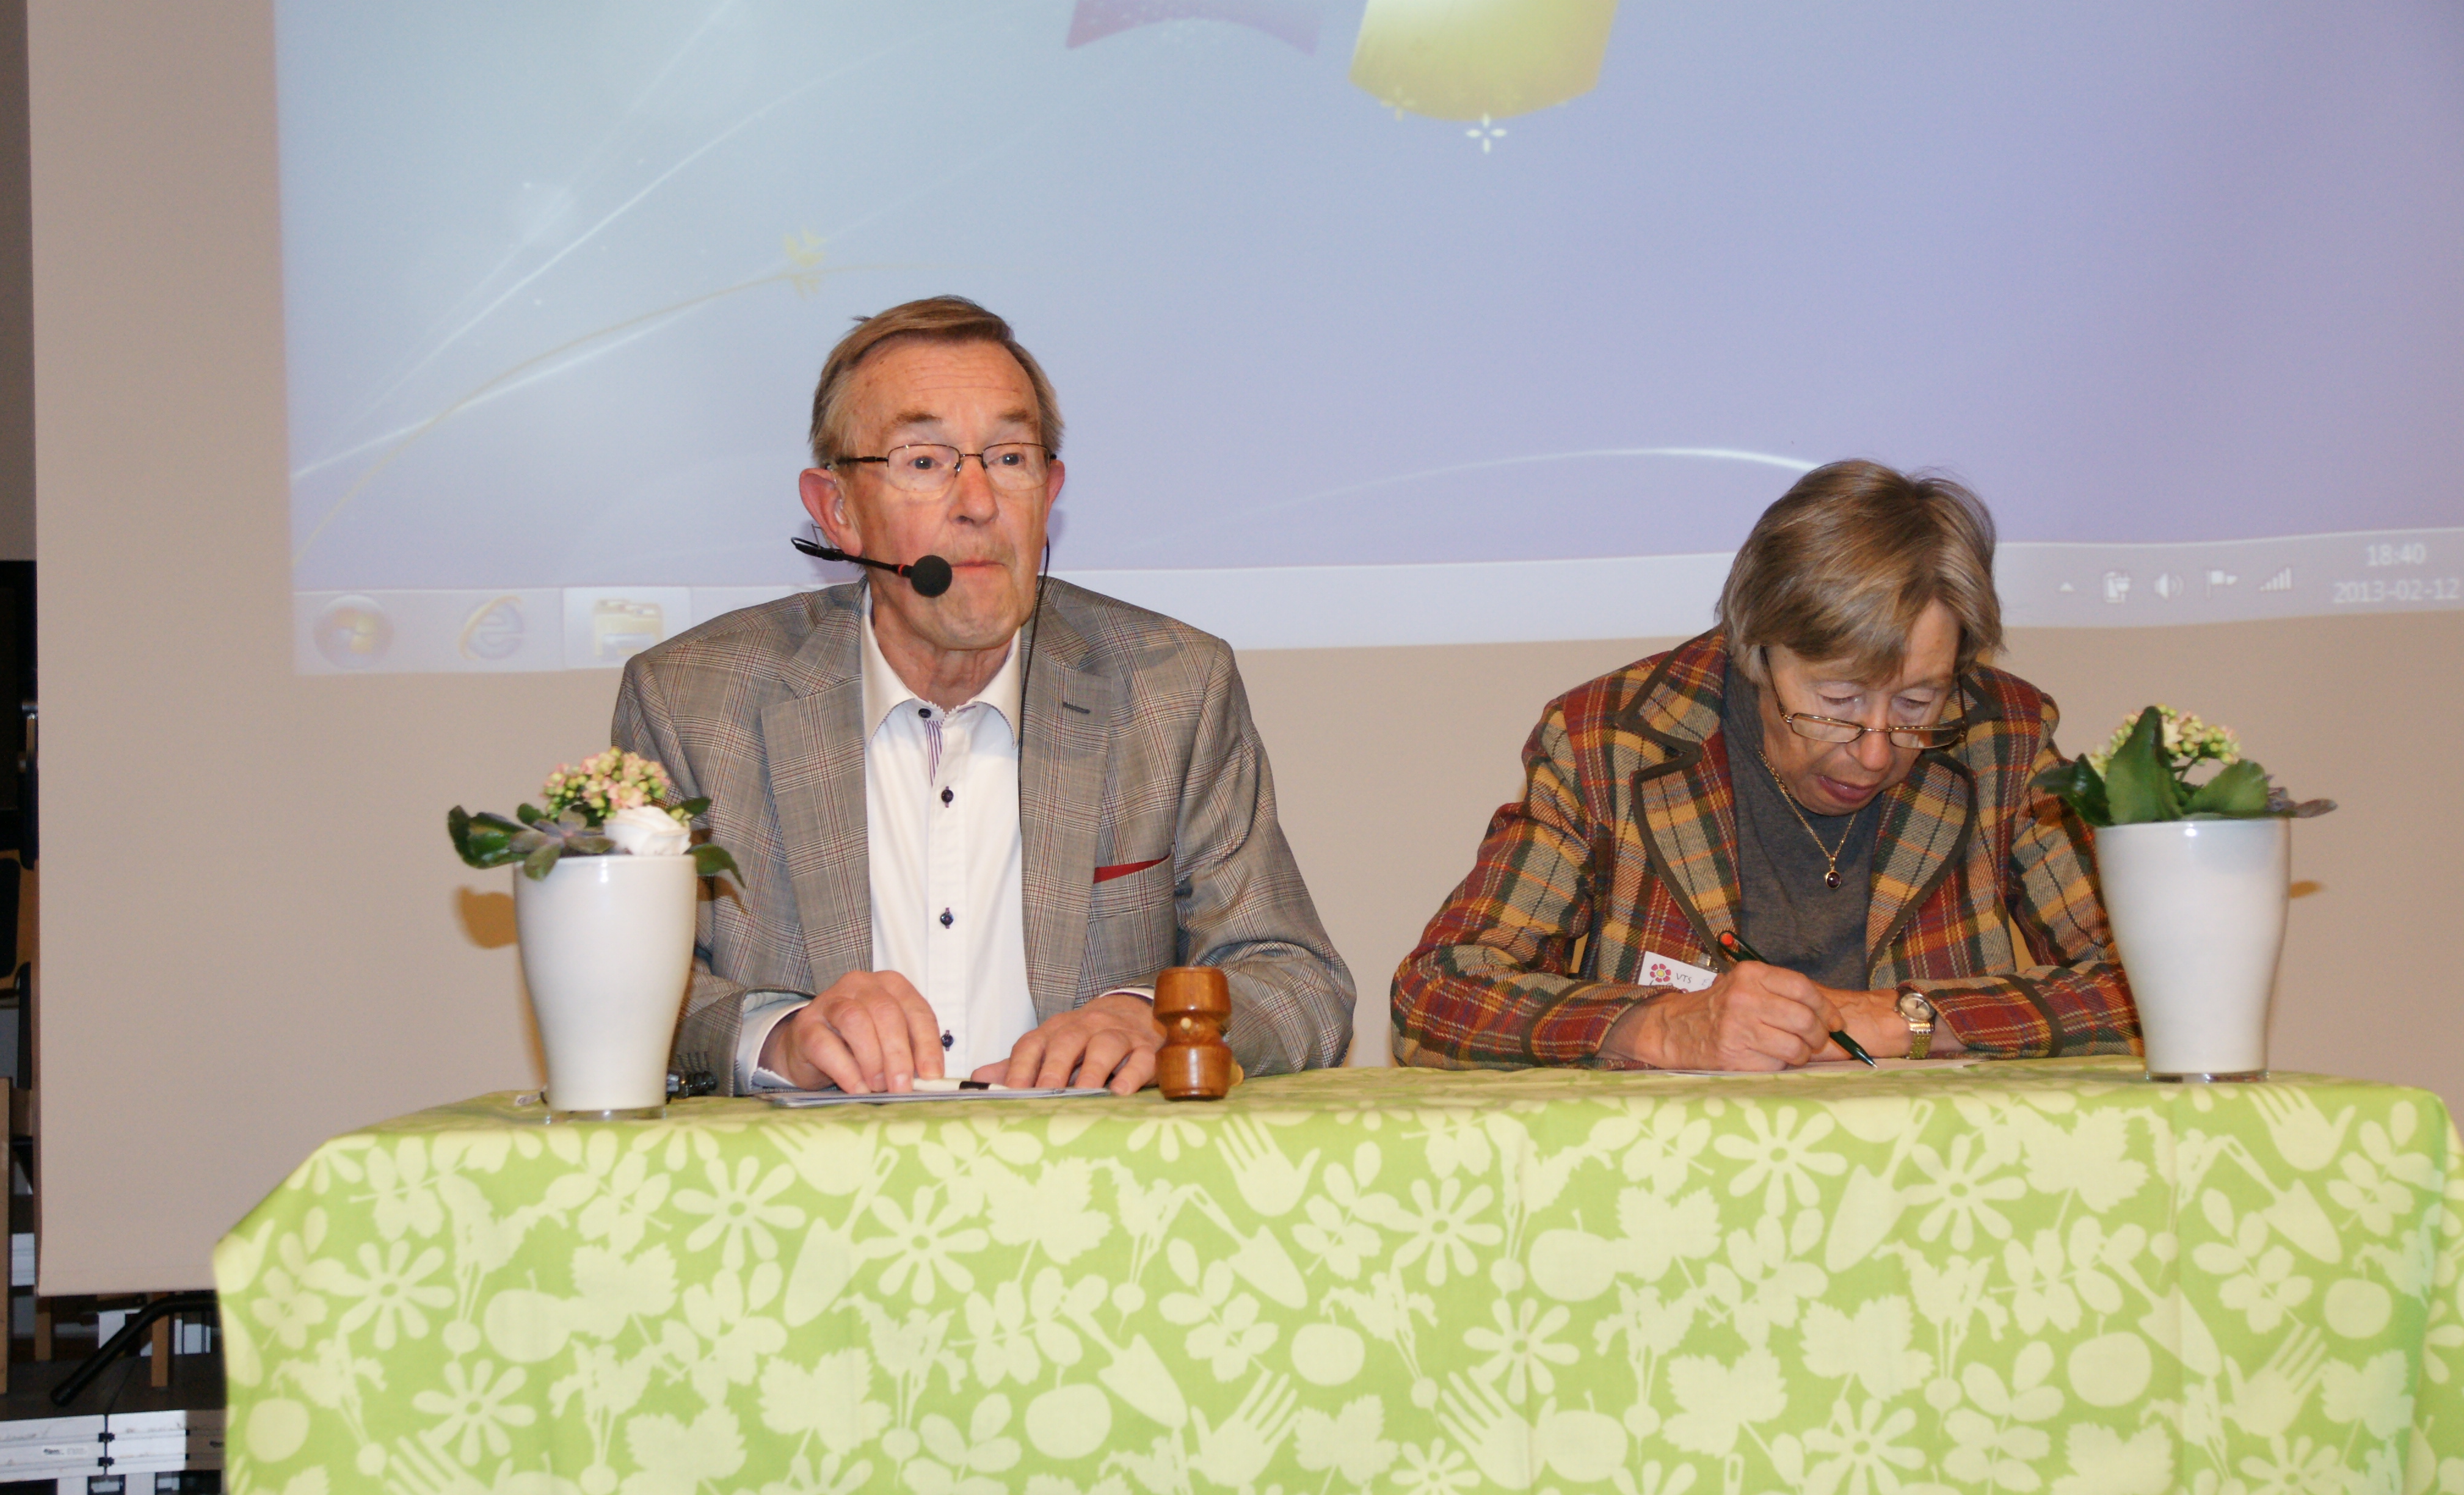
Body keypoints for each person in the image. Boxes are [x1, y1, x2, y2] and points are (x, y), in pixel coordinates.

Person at [614, 296, 1353, 1096]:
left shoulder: (1171, 689)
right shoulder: (693, 703)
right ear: (838, 512)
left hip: (1091, 1166)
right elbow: (620, 992)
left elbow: (1299, 983)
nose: (979, 503)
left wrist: (1154, 1019)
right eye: (924, 462)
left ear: (1048, 492)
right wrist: (780, 1037)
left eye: (1008, 458)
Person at [1393, 459, 2135, 1072]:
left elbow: (2149, 985)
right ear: (1756, 648)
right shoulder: (1610, 742)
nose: (1877, 751)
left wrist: (1905, 1018)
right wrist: (1661, 1028)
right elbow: (1438, 994)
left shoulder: (2000, 738)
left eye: (1917, 703)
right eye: (1838, 701)